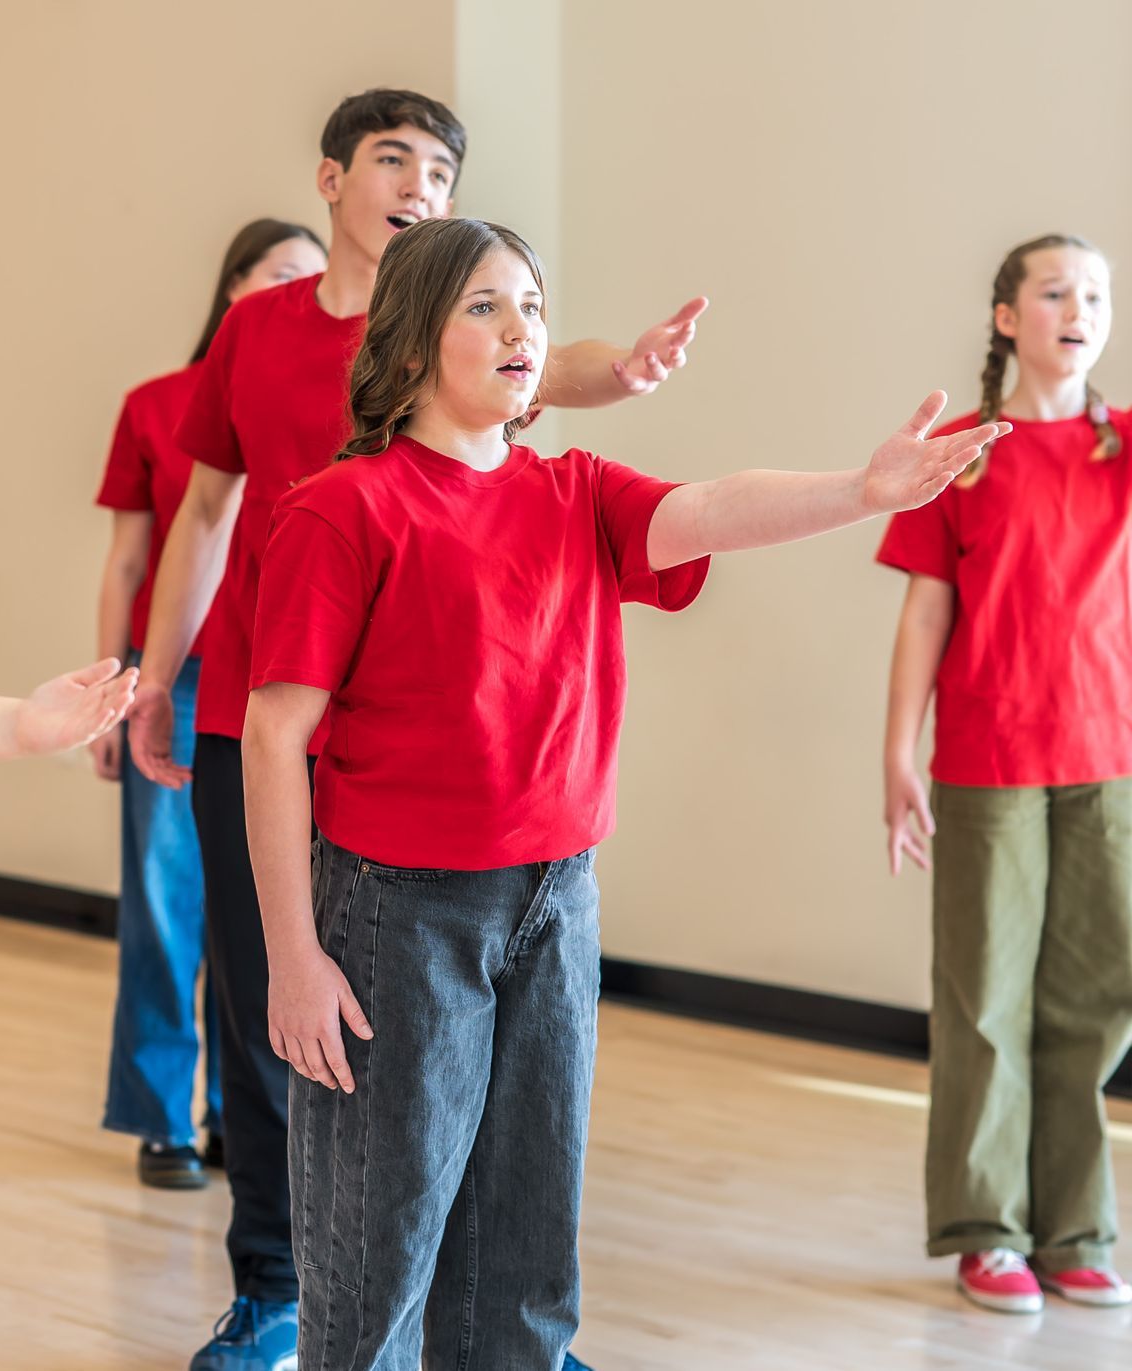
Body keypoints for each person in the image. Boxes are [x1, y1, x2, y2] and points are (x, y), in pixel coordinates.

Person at [246, 216, 1003, 1370]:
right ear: (408, 349)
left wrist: (864, 488)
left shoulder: (576, 490)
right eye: (486, 307)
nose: (522, 328)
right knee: (380, 1251)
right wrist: (295, 959)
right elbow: (271, 737)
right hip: (398, 916)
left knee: (525, 1247)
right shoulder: (344, 510)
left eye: (535, 306)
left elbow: (712, 508)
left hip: (556, 901)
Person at [128, 88, 706, 1371]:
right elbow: (207, 511)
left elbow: (553, 379)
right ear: (334, 178)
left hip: (451, 776)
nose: (422, 185)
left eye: (443, 168)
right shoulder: (272, 348)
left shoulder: (484, 350)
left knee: (479, 1136)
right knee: (300, 1041)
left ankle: (486, 1333)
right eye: (398, 161)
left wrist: (633, 365)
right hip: (281, 723)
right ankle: (277, 1288)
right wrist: (154, 678)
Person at [879, 233, 1132, 1314]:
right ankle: (988, 1231)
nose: (1078, 309)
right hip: (988, 760)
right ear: (1006, 317)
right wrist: (896, 751)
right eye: (1055, 291)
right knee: (984, 1003)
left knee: (1094, 1004)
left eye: (1096, 295)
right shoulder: (959, 452)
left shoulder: (1126, 448)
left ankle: (1076, 1228)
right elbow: (925, 608)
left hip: (1110, 761)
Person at [94, 217, 325, 1189]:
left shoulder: (343, 388)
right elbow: (133, 559)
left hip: (278, 672)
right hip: (175, 673)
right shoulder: (154, 406)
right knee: (164, 896)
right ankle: (161, 1116)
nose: (303, 295)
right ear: (234, 289)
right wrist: (116, 683)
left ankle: (244, 1110)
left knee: (260, 905)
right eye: (281, 276)